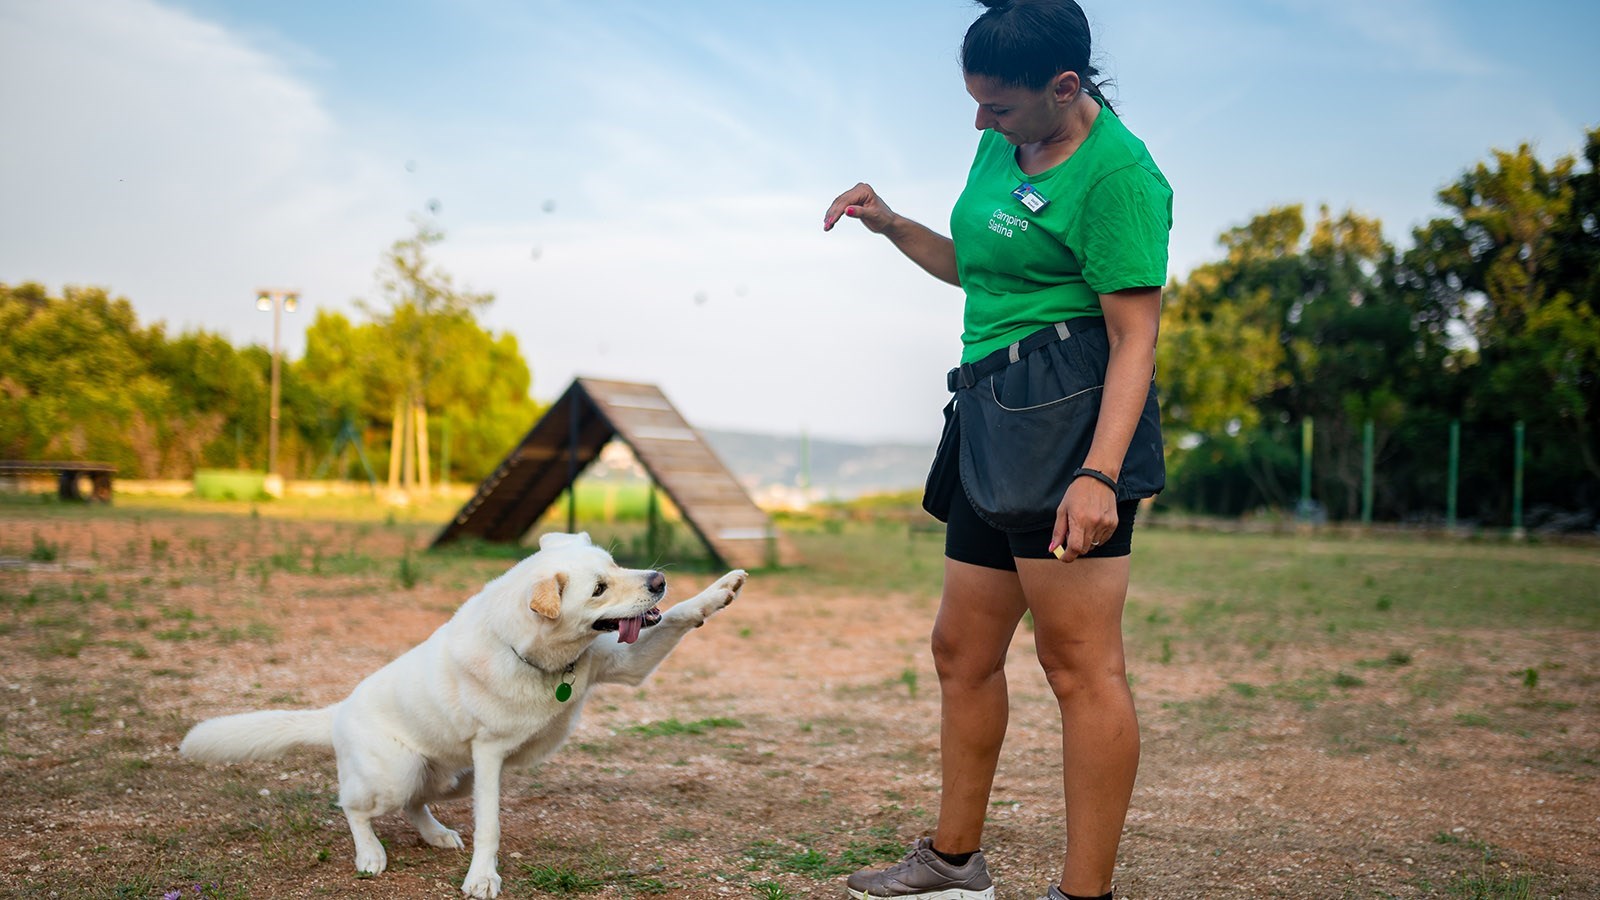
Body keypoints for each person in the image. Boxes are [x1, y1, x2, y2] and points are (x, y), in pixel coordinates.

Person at [821, 1, 1172, 898]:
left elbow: (1135, 338)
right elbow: (982, 268)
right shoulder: (1000, 143)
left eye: (999, 106)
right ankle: (953, 864)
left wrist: (1098, 475)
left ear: (1065, 87)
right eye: (975, 102)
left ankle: (1082, 894)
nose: (981, 121)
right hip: (990, 409)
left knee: (1079, 667)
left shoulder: (1120, 177)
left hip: (1068, 420)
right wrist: (893, 225)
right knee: (960, 650)